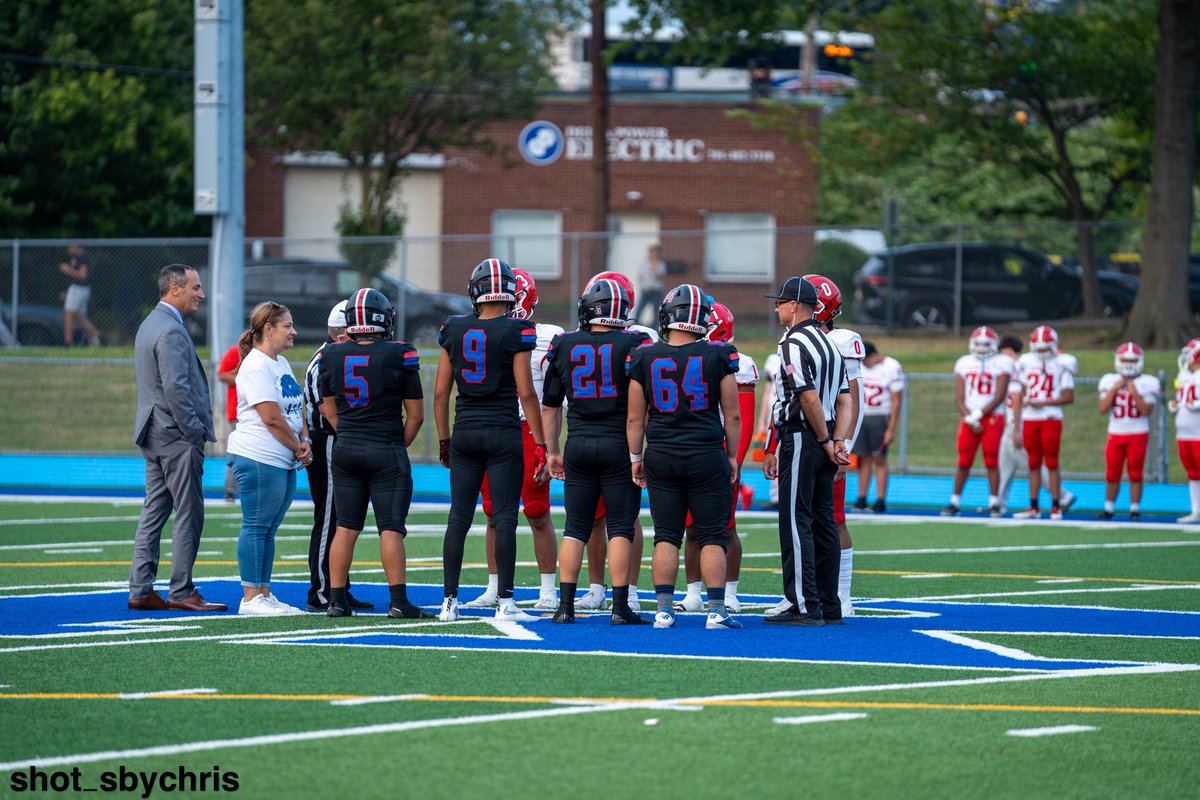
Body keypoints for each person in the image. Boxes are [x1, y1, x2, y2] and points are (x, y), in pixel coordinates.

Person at [434, 259, 549, 623]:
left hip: (465, 430)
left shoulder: (453, 328)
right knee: (504, 518)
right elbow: (526, 392)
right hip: (502, 432)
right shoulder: (518, 330)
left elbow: (440, 394)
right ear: (510, 292)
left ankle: (449, 602)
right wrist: (543, 443)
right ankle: (505, 602)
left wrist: (443, 440)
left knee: (459, 518)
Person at [627, 284, 742, 630]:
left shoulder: (645, 355)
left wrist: (636, 456)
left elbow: (635, 416)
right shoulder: (719, 354)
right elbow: (732, 414)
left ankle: (664, 610)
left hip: (662, 452)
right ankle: (717, 611)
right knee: (711, 535)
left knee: (666, 534)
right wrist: (733, 455)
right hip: (706, 452)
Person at [541, 278, 650, 624]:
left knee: (575, 525)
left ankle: (565, 606)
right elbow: (641, 408)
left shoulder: (564, 343)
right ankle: (620, 607)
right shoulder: (635, 344)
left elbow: (550, 406)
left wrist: (552, 451)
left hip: (579, 443)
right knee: (620, 526)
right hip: (618, 444)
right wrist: (638, 455)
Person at [319, 289, 431, 619]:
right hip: (386, 448)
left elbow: (330, 412)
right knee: (391, 528)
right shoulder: (401, 354)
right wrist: (398, 443)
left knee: (345, 527)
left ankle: (337, 601)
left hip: (346, 447)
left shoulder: (330, 355)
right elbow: (417, 416)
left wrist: (352, 434)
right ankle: (398, 601)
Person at [128, 264, 225, 612]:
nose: (200, 294)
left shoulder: (150, 323)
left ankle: (141, 589)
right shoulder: (170, 330)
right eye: (195, 288)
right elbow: (176, 389)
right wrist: (193, 432)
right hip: (174, 435)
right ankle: (182, 590)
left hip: (153, 432)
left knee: (154, 510)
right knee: (189, 512)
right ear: (174, 288)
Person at [465, 269, 561, 612]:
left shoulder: (547, 338)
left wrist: (548, 445)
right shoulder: (481, 332)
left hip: (527, 431)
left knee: (537, 511)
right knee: (493, 513)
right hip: (495, 426)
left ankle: (548, 587)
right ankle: (494, 586)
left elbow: (552, 400)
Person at [761, 276, 851, 626]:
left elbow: (807, 395)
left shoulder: (793, 343)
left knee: (796, 519)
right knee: (823, 519)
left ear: (795, 305)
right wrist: (837, 439)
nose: (776, 307)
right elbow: (844, 398)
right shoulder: (829, 343)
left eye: (781, 302)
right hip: (825, 433)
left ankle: (803, 602)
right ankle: (829, 603)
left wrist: (825, 440)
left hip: (803, 435)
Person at [574, 270, 654, 612]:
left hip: (620, 434)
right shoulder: (587, 335)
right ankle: (597, 587)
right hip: (606, 433)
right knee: (595, 517)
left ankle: (629, 588)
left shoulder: (641, 338)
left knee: (625, 516)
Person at [674, 301, 757, 615]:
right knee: (691, 528)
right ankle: (693, 593)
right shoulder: (687, 357)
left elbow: (743, 418)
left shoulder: (737, 362)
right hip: (694, 448)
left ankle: (730, 593)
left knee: (725, 527)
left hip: (719, 451)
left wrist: (734, 457)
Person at [227, 301, 310, 616]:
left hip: (282, 457)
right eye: (287, 325)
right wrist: (297, 446)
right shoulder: (255, 365)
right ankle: (250, 598)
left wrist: (304, 440)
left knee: (269, 527)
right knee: (256, 525)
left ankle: (264, 592)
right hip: (259, 456)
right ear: (268, 329)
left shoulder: (281, 363)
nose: (293, 331)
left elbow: (293, 409)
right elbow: (270, 417)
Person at [301, 301, 373, 613]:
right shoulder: (324, 359)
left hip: (341, 438)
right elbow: (326, 412)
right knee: (329, 517)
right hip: (329, 440)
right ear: (345, 332)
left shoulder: (339, 355)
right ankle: (319, 591)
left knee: (344, 519)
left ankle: (338, 587)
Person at [996, 335, 1075, 516]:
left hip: (1029, 421)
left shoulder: (1027, 364)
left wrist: (1017, 425)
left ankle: (1061, 496)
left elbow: (1066, 363)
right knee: (1006, 463)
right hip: (1018, 420)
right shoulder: (1017, 366)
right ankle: (998, 502)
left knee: (1035, 463)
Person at [942, 327, 1013, 516]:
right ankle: (954, 501)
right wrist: (969, 417)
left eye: (986, 344)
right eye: (978, 344)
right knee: (963, 461)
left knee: (991, 460)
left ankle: (994, 502)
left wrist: (978, 415)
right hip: (968, 417)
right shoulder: (964, 363)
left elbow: (1000, 395)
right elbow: (959, 397)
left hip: (992, 417)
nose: (982, 348)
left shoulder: (1002, 362)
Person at [1096, 342, 1160, 520]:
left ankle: (1134, 509)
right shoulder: (1110, 380)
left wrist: (1134, 393)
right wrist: (1115, 389)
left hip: (1138, 432)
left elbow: (1146, 410)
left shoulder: (1147, 382)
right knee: (1112, 472)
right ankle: (1108, 508)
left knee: (1136, 472)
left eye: (1133, 361)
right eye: (1125, 360)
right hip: (1115, 432)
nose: (1129, 364)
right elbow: (1102, 408)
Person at [852, 341, 905, 513]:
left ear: (874, 356)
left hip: (880, 415)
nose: (864, 363)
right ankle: (861, 498)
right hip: (862, 415)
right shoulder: (858, 365)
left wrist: (891, 428)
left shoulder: (891, 367)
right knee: (863, 458)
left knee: (879, 458)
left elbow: (897, 401)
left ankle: (880, 499)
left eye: (866, 360)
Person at [1170, 338, 1200, 523]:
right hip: (1184, 433)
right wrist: (1175, 405)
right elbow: (1182, 401)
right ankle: (1196, 510)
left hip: (1198, 433)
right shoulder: (1184, 376)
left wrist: (1197, 404)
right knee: (1193, 473)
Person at [58, 243, 101, 346]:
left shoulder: (82, 256)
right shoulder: (75, 256)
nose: (68, 249)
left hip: (79, 289)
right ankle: (100, 338)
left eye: (69, 246)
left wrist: (67, 269)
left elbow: (82, 275)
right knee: (80, 318)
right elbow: (74, 278)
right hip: (78, 289)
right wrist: (67, 291)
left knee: (68, 314)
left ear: (75, 245)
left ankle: (67, 342)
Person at [217, 343, 241, 502]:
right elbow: (221, 374)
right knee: (237, 450)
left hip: (258, 410)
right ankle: (230, 490)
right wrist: (243, 379)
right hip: (238, 410)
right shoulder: (236, 351)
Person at [632, 243, 667, 327]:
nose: (654, 254)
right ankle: (634, 326)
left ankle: (655, 330)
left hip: (656, 291)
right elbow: (640, 275)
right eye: (653, 252)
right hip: (646, 290)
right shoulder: (645, 263)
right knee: (639, 310)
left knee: (656, 312)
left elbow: (660, 276)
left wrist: (654, 268)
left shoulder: (661, 264)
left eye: (656, 253)